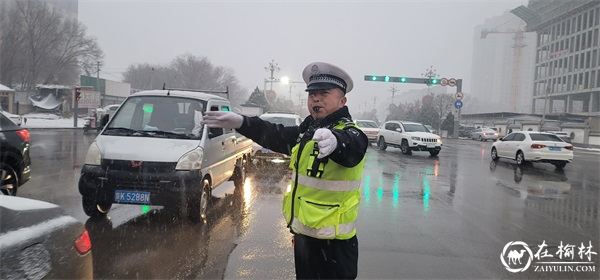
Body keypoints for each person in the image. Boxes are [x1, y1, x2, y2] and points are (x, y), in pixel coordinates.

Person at [204, 62, 368, 279]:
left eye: (324, 94)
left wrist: (337, 142)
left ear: (342, 101)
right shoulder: (308, 131)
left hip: (334, 245)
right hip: (304, 238)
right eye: (312, 94)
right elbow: (275, 134)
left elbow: (354, 148)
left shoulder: (349, 132)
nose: (315, 99)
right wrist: (243, 122)